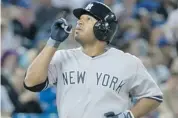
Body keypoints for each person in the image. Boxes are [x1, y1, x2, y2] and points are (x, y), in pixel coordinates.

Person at [24, 2, 163, 118]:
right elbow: (31, 82)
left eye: (88, 19)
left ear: (104, 27)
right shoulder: (63, 56)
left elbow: (154, 96)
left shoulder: (127, 62)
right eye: (80, 19)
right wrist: (53, 42)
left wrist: (129, 115)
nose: (79, 22)